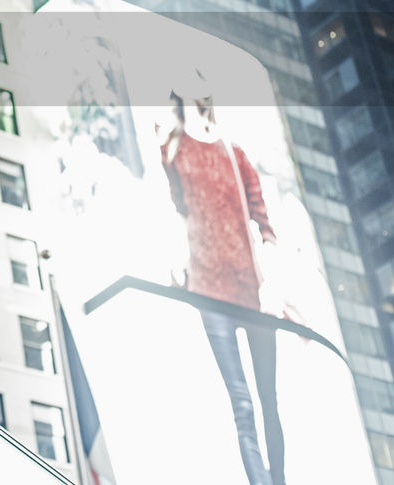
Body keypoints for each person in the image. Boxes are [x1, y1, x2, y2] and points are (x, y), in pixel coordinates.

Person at [157, 74, 284, 485]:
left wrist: (273, 282)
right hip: (209, 289)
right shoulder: (173, 151)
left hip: (250, 288)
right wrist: (176, 263)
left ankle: (279, 478)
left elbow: (263, 219)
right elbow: (175, 213)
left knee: (268, 400)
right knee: (242, 404)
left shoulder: (235, 152)